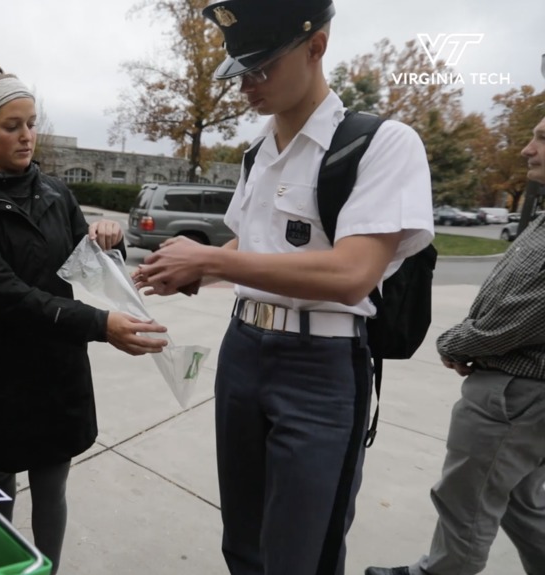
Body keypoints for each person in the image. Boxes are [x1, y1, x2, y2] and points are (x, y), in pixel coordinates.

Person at [134, 1, 435, 573]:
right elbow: (249, 246)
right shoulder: (258, 155)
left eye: (263, 66)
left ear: (316, 46)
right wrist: (190, 267)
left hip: (320, 367)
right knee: (242, 542)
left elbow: (352, 274)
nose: (247, 84)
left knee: (300, 552)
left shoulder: (382, 144)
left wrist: (214, 263)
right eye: (240, 70)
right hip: (244, 351)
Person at [0, 64, 169, 574]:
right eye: (11, 126)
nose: (26, 137)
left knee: (52, 485)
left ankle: (47, 569)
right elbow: (4, 293)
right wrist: (98, 325)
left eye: (31, 123)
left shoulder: (55, 193)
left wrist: (108, 236)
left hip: (55, 364)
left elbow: (86, 263)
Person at [365, 116, 545, 575]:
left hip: (514, 393)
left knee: (468, 501)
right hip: (519, 390)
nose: (527, 149)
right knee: (522, 503)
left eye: (541, 138)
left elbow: (525, 314)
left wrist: (459, 340)